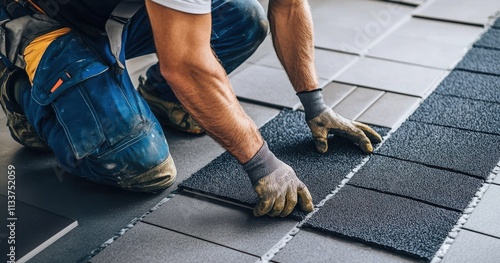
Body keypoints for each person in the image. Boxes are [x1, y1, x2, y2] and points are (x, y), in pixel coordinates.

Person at [0, 0, 381, 217]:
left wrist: (315, 104)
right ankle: (20, 87)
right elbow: (186, 64)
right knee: (142, 166)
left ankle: (163, 96)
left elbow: (289, 4)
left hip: (109, 9)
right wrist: (263, 163)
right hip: (44, 16)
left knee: (242, 19)